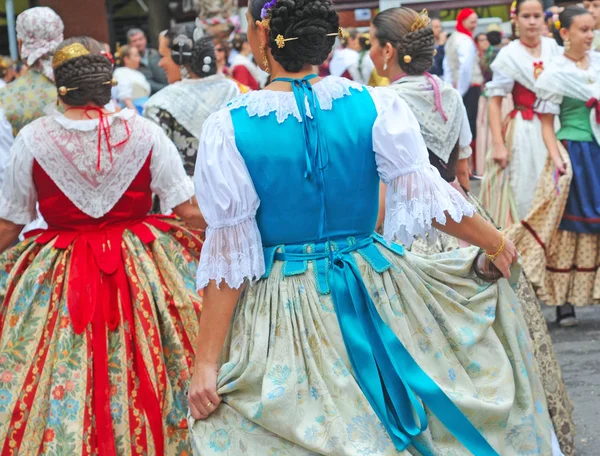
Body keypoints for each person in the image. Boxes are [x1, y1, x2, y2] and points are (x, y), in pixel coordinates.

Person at [187, 0, 561, 454]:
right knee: (415, 405)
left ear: (263, 36)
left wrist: (206, 363)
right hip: (378, 279)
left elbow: (230, 258)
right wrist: (495, 241)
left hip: (284, 302)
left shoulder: (229, 126)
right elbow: (433, 199)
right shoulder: (374, 104)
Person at [371, 8, 575, 454]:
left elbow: (388, 183)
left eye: (372, 43)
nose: (370, 51)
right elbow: (462, 172)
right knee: (485, 329)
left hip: (412, 224)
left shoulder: (381, 101)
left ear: (388, 52)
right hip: (463, 215)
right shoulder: (445, 90)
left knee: (423, 339)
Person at [0, 37, 204, 455]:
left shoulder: (33, 139)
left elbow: (11, 221)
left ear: (61, 88)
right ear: (107, 84)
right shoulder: (143, 131)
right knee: (161, 356)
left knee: (50, 367)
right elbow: (186, 207)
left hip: (60, 268)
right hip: (141, 266)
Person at [508, 7, 599, 328]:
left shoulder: (598, 64)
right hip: (573, 151)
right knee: (566, 225)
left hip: (598, 151)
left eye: (592, 29)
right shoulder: (554, 73)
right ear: (565, 34)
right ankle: (563, 303)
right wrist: (558, 156)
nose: (589, 36)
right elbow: (547, 123)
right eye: (583, 30)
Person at [480, 0, 561, 228]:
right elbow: (494, 103)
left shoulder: (554, 48)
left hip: (556, 124)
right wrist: (497, 144)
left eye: (537, 16)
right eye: (527, 16)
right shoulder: (509, 55)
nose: (532, 21)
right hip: (524, 128)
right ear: (516, 19)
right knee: (526, 185)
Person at [145, 33, 241, 176]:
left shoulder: (160, 104)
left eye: (163, 56)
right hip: (233, 190)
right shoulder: (234, 91)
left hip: (187, 196)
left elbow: (157, 166)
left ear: (180, 58)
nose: (160, 63)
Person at [443, 8, 483, 149]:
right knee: (470, 124)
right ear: (463, 21)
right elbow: (465, 68)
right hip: (469, 88)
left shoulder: (453, 38)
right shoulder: (465, 40)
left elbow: (447, 66)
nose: (475, 25)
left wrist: (449, 88)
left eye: (476, 22)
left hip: (457, 87)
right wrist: (460, 91)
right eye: (472, 22)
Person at [127, 27, 168, 94]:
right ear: (130, 44)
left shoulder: (156, 54)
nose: (138, 43)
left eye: (140, 39)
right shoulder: (130, 62)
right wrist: (166, 88)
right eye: (134, 41)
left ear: (145, 39)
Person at [113, 44, 151, 113]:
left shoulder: (138, 73)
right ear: (126, 59)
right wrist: (136, 116)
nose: (139, 58)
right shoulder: (121, 72)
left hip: (144, 109)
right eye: (136, 56)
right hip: (134, 111)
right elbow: (125, 98)